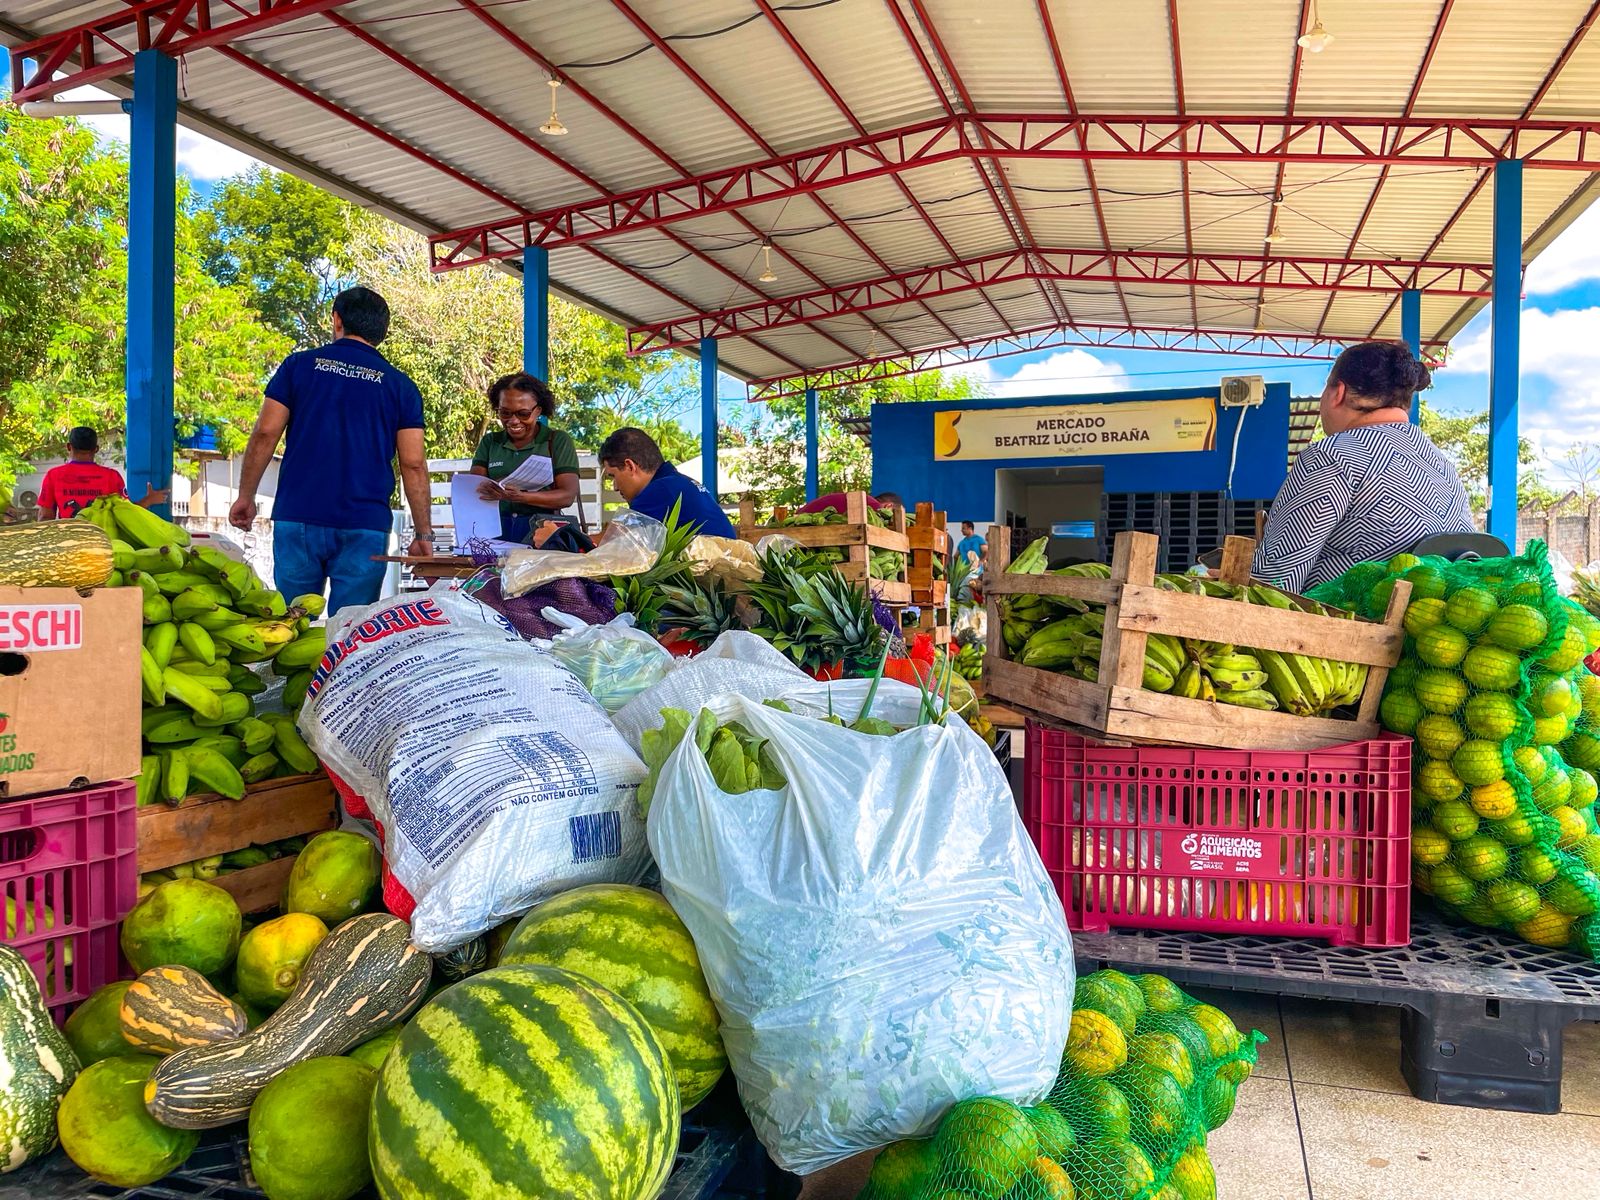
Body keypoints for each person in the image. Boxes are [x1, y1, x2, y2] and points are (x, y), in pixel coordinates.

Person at [230, 286, 433, 614]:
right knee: (349, 631)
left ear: (337, 320)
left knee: (291, 626)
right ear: (382, 331)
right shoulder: (401, 386)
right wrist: (424, 532)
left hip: (298, 517)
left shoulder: (298, 367)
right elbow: (413, 463)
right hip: (364, 525)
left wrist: (246, 496)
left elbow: (266, 432)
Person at [1253, 340, 1475, 594]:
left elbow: (1275, 579)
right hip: (1436, 628)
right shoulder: (1443, 464)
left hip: (1353, 627)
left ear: (1338, 393)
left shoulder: (1331, 457)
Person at [468, 373, 581, 544]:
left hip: (542, 532)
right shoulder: (491, 442)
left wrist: (521, 496)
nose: (513, 421)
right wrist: (490, 487)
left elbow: (567, 496)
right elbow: (474, 488)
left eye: (523, 414)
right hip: (495, 530)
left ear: (539, 410)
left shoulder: (556, 440)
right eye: (505, 413)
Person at [598, 427, 736, 538]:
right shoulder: (679, 483)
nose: (615, 486)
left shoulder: (658, 491)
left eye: (613, 476)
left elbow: (611, 544)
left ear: (630, 466)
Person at [38, 427, 169, 518]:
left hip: (68, 544)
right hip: (104, 543)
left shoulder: (53, 475)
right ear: (96, 449)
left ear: (68, 447)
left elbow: (45, 516)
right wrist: (149, 500)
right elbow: (128, 513)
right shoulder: (111, 477)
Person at [797, 489, 901, 516]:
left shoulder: (866, 500)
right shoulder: (873, 507)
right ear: (889, 506)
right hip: (802, 525)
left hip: (798, 518)